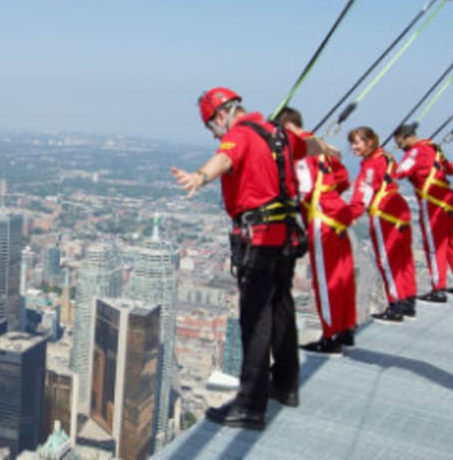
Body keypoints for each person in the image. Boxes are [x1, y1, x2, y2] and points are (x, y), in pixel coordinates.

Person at [171, 87, 337, 430]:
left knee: (255, 321)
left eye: (211, 127)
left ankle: (249, 405)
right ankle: (286, 384)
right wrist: (323, 146)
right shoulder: (279, 132)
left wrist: (200, 177)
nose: (215, 133)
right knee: (281, 307)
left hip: (258, 240)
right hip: (287, 235)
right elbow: (310, 146)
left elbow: (225, 159)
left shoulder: (239, 135)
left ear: (220, 115)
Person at [276, 107, 357, 353]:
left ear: (287, 127)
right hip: (337, 215)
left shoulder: (302, 150)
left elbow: (303, 189)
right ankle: (345, 330)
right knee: (342, 277)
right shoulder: (324, 148)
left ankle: (330, 336)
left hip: (321, 219)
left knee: (326, 280)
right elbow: (343, 179)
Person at [392, 123, 453, 301]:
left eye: (398, 141)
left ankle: (438, 289)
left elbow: (400, 171)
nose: (398, 145)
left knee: (435, 246)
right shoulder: (434, 148)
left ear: (404, 137)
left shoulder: (414, 152)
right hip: (448, 201)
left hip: (433, 203)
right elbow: (452, 169)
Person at [348, 126, 417, 323]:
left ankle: (396, 305)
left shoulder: (369, 166)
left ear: (369, 142)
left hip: (384, 214)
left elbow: (363, 193)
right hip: (399, 209)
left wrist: (350, 215)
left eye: (356, 142)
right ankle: (407, 301)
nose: (353, 147)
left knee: (386, 260)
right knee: (403, 259)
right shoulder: (386, 157)